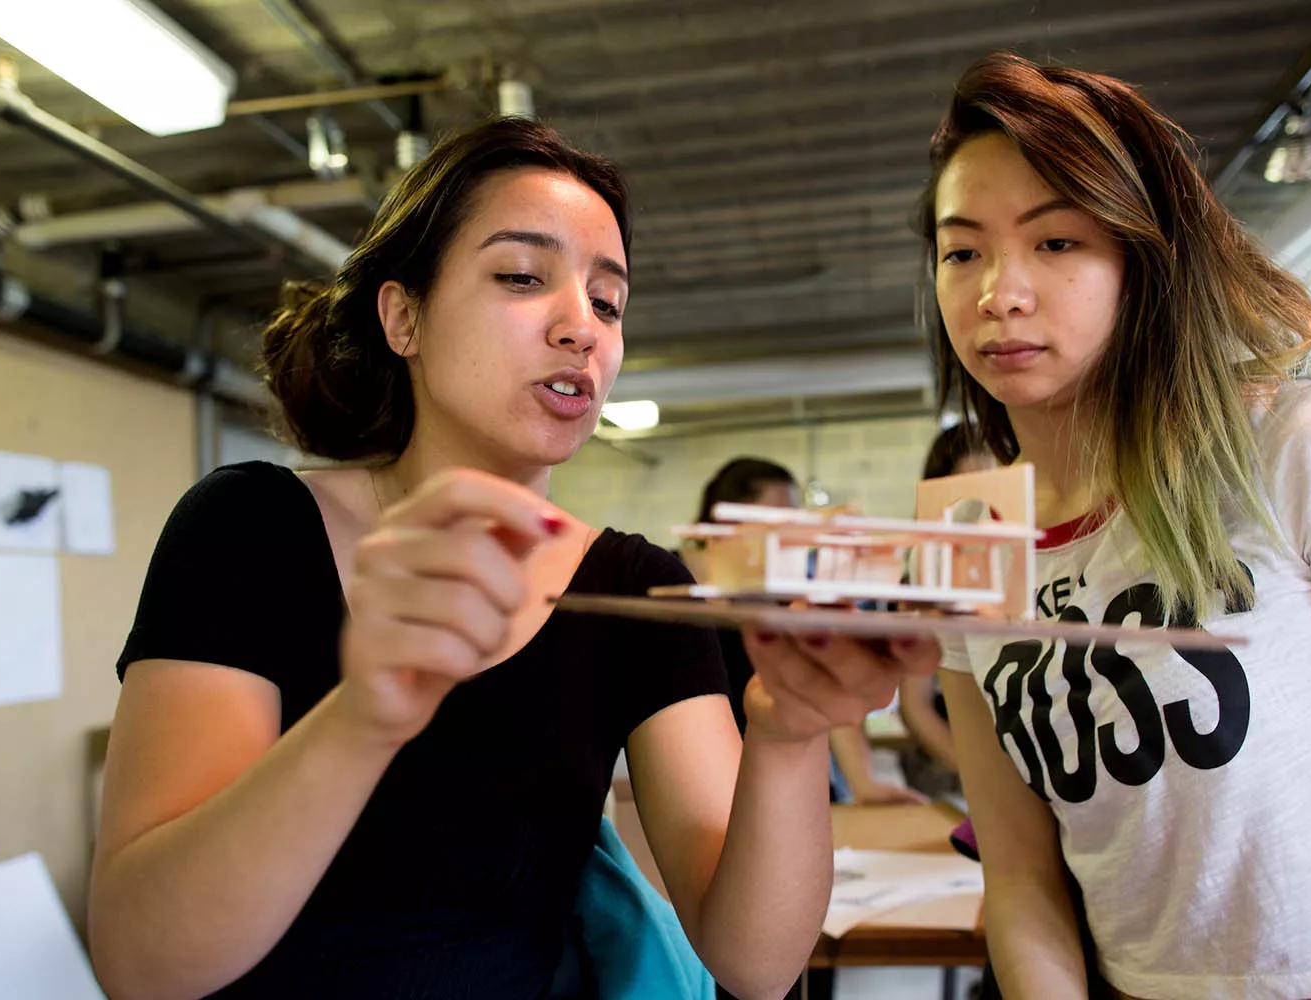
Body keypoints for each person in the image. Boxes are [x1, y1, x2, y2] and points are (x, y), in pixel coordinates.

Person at [87, 118, 937, 1000]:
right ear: (403, 316)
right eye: (523, 277)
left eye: (608, 303)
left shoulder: (633, 590)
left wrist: (791, 734)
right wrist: (364, 718)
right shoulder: (251, 527)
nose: (582, 327)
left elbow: (755, 963)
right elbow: (144, 963)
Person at [917, 53, 1311, 1000]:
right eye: (962, 251)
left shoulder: (1306, 449)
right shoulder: (968, 538)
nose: (1000, 294)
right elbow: (1023, 880)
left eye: (1057, 242)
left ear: (1141, 257)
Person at [680, 456, 924, 807]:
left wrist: (863, 782)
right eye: (779, 519)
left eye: (795, 519)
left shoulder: (787, 592)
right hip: (712, 781)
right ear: (727, 519)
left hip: (791, 775)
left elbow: (826, 684)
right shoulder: (679, 581)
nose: (791, 533)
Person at [897, 422, 997, 800]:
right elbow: (915, 705)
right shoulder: (926, 578)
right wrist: (987, 782)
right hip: (956, 775)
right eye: (969, 499)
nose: (985, 513)